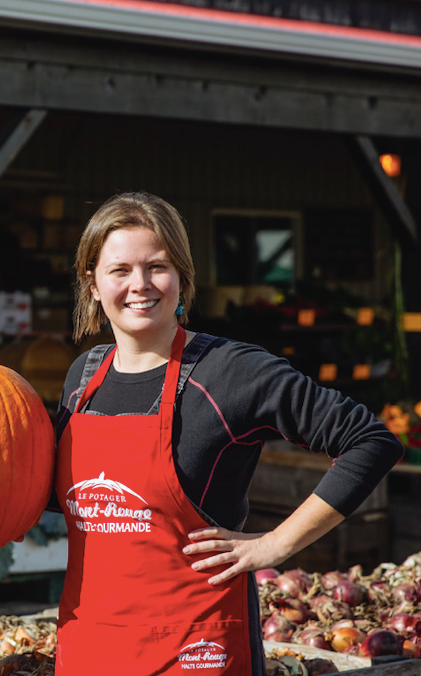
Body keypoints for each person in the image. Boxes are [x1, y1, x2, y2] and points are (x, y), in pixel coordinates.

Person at [53, 191, 402, 675]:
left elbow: (370, 441)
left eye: (158, 266)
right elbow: (63, 497)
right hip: (91, 645)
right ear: (92, 283)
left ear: (182, 276)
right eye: (120, 270)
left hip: (195, 650)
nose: (141, 285)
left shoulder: (230, 372)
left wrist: (276, 544)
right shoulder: (82, 378)